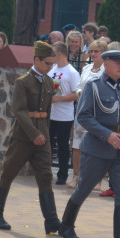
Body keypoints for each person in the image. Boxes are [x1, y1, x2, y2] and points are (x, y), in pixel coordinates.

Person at [58, 49, 120, 238]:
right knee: (84, 188)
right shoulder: (93, 87)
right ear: (106, 64)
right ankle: (66, 226)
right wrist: (107, 135)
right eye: (116, 62)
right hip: (97, 148)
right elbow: (84, 116)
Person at [0, 41, 61, 235]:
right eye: (47, 63)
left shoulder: (47, 81)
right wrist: (34, 133)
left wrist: (44, 134)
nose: (50, 67)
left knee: (45, 175)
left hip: (42, 136)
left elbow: (47, 110)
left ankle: (52, 221)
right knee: (9, 173)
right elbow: (19, 111)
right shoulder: (23, 81)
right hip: (23, 136)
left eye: (52, 64)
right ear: (36, 60)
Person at [69, 39, 107, 188]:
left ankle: (96, 179)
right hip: (82, 110)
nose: (93, 54)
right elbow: (79, 86)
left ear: (103, 53)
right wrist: (80, 92)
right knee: (77, 144)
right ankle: (76, 176)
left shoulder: (106, 70)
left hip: (97, 112)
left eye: (96, 51)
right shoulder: (86, 68)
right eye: (91, 51)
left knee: (96, 145)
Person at [45, 42, 79, 186]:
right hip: (51, 114)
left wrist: (58, 99)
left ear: (59, 54)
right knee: (48, 144)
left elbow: (76, 94)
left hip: (64, 115)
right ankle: (46, 171)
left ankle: (62, 174)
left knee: (63, 145)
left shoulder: (71, 72)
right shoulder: (52, 70)